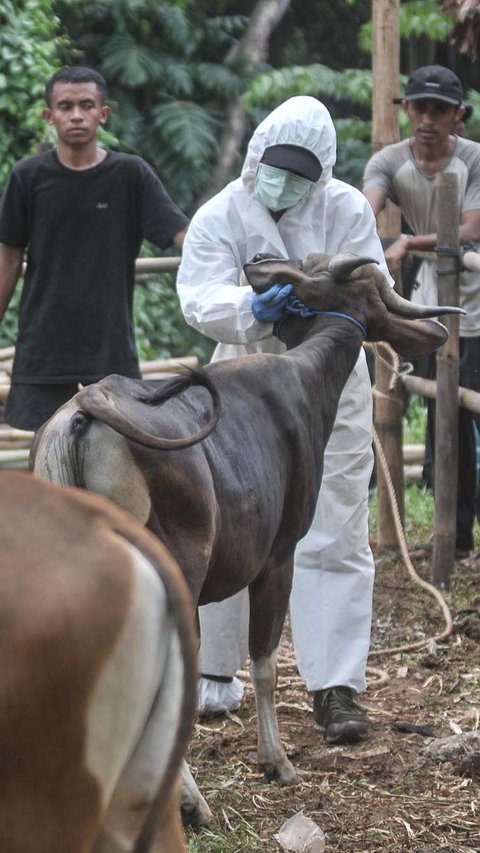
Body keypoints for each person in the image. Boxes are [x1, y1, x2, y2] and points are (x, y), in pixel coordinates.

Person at [177, 95, 394, 743]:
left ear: (321, 172)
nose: (283, 181)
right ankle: (215, 670)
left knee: (336, 521)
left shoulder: (347, 208)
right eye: (276, 166)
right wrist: (252, 306)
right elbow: (198, 295)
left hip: (328, 379)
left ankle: (335, 688)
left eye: (300, 172)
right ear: (256, 156)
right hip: (244, 377)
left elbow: (371, 287)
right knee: (231, 513)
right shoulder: (222, 211)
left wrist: (318, 305)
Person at [0, 65, 188, 431]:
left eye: (86, 105)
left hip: (110, 348)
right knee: (46, 456)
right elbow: (7, 258)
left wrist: (233, 257)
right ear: (49, 116)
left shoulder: (131, 175)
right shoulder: (28, 177)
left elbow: (183, 236)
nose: (76, 115)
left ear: (102, 114)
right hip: (43, 350)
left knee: (118, 453)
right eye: (65, 106)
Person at [363, 64, 480, 559]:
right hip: (437, 301)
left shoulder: (474, 159)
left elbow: (470, 230)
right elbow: (364, 211)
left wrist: (408, 239)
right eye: (420, 107)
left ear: (459, 115)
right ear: (406, 110)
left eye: (439, 109)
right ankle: (451, 538)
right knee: (442, 412)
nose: (428, 118)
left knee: (466, 410)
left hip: (477, 298)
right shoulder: (388, 161)